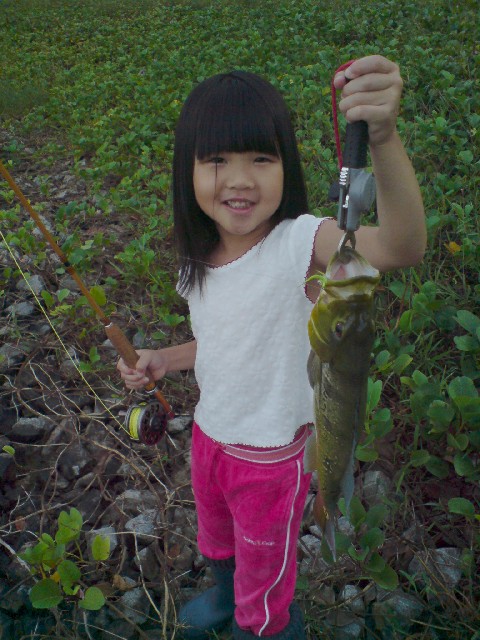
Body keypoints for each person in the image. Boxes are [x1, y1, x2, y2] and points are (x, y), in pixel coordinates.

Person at [117, 55, 426, 639]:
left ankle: (265, 625)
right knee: (217, 538)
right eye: (217, 162)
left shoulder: (300, 243)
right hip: (210, 437)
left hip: (268, 457)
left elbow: (401, 246)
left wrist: (382, 137)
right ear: (189, 172)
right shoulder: (198, 259)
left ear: (287, 168)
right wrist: (166, 359)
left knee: (266, 565)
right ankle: (223, 591)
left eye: (261, 158)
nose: (239, 179)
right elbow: (218, 339)